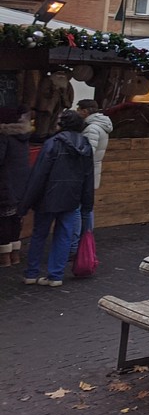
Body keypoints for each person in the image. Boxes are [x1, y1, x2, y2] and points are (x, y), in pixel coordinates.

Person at [19, 109, 93, 286]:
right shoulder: (86, 146)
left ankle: (32, 273)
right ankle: (56, 275)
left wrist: (25, 203)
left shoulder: (52, 143)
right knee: (64, 235)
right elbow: (88, 177)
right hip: (71, 197)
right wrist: (87, 204)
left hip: (48, 197)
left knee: (39, 235)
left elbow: (39, 174)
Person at [0, 110, 32, 267]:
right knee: (15, 218)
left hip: (5, 183)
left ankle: (4, 256)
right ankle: (15, 254)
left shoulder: (4, 137)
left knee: (4, 219)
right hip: (20, 184)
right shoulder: (23, 136)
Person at [75, 99, 110, 241]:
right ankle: (85, 238)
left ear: (85, 111)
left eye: (78, 109)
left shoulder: (92, 129)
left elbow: (87, 153)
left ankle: (82, 240)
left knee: (82, 208)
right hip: (91, 173)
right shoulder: (98, 126)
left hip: (86, 174)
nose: (77, 112)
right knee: (86, 207)